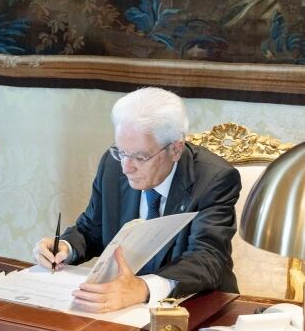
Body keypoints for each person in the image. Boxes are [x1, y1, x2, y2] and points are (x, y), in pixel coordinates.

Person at [35, 87, 240, 313]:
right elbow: (92, 229)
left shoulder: (214, 179)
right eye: (121, 152)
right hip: (126, 309)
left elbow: (207, 259)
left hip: (195, 306)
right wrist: (64, 247)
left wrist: (141, 288)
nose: (126, 167)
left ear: (175, 149)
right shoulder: (112, 165)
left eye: (140, 157)